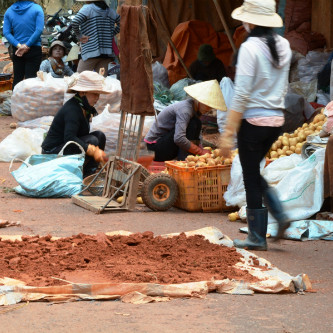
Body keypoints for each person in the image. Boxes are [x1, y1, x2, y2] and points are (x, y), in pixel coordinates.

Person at [219, 0, 292, 250]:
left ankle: (257, 236)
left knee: (251, 176)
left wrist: (228, 132)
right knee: (253, 172)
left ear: (251, 20)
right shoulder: (284, 45)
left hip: (252, 122)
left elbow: (241, 94)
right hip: (277, 121)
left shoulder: (250, 48)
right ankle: (277, 214)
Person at [42, 71, 110, 178]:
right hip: (52, 151)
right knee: (92, 141)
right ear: (82, 93)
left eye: (98, 94)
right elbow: (69, 138)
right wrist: (92, 150)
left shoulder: (85, 108)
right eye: (94, 94)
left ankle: (89, 174)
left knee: (99, 136)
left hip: (66, 145)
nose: (97, 98)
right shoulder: (72, 110)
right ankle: (82, 175)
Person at [145, 80, 226, 162]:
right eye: (207, 105)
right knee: (193, 124)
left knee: (196, 122)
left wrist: (201, 150)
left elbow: (197, 137)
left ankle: (187, 158)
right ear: (199, 100)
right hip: (155, 149)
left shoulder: (194, 110)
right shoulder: (185, 110)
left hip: (166, 144)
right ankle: (184, 161)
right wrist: (200, 151)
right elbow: (179, 138)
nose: (208, 109)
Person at [72, 0, 120, 77]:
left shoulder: (87, 8)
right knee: (101, 82)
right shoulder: (111, 11)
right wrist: (110, 33)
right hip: (107, 54)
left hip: (91, 51)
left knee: (80, 79)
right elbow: (122, 23)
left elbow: (74, 22)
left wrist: (80, 36)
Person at [3, 0, 44, 88]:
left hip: (17, 50)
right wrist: (27, 45)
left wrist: (19, 45)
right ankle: (30, 101)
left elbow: (6, 32)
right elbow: (39, 30)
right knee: (32, 81)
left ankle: (16, 101)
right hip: (33, 48)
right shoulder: (37, 8)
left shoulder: (9, 11)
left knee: (17, 80)